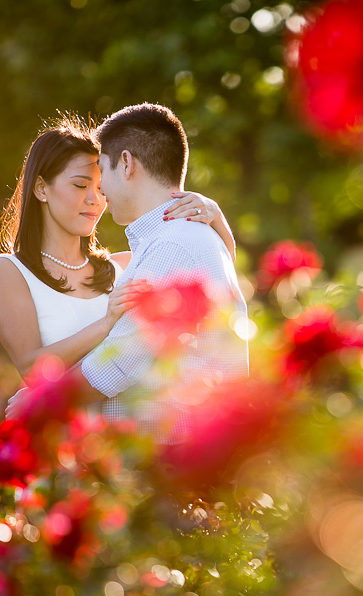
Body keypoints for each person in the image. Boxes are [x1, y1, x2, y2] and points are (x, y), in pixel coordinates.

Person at [0, 118, 235, 387]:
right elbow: (31, 368)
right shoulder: (11, 270)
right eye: (80, 185)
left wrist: (215, 215)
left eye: (100, 186)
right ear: (41, 188)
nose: (96, 199)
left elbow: (215, 274)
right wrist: (106, 324)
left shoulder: (127, 264)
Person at [64, 103, 250, 440]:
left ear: (126, 163)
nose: (101, 187)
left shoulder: (173, 245)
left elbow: (120, 362)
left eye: (102, 170)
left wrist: (42, 402)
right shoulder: (171, 240)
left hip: (172, 470)